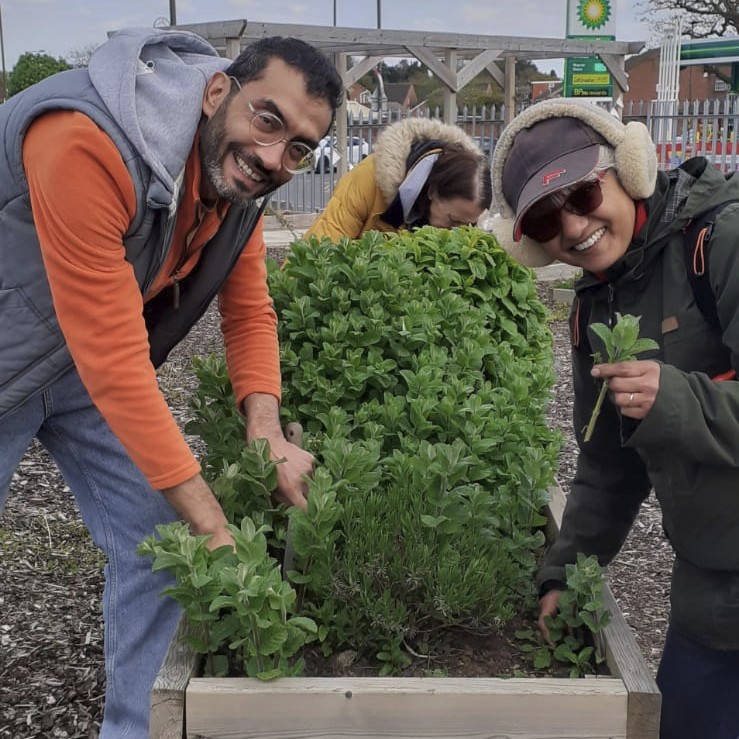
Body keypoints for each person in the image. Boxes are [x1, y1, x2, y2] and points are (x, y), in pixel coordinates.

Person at [0, 27, 342, 737]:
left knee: (159, 538)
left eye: (300, 148)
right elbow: (117, 360)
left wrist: (266, 429)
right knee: (190, 523)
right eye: (267, 119)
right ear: (218, 90)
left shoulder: (235, 181)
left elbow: (249, 311)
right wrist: (214, 522)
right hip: (33, 353)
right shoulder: (83, 137)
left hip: (75, 366)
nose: (274, 157)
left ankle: (134, 727)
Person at [491, 98, 739, 739]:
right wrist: (565, 572)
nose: (572, 228)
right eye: (545, 219)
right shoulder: (593, 304)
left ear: (627, 167)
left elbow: (667, 405)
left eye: (580, 194)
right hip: (712, 587)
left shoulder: (724, 239)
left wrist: (676, 400)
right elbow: (607, 465)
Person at [303, 117, 492, 240]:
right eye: (453, 220)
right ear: (432, 191)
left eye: (468, 226)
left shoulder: (463, 225)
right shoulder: (368, 179)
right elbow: (320, 251)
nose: (456, 232)